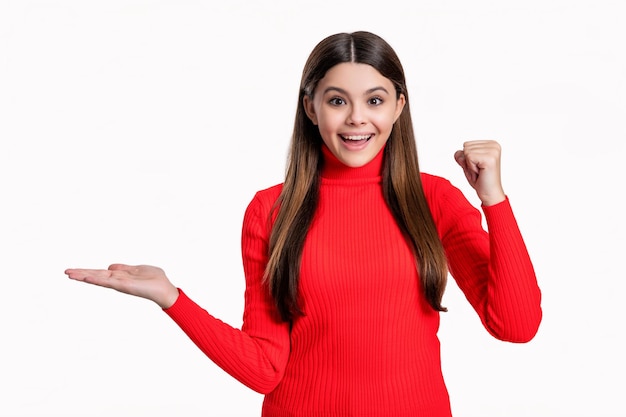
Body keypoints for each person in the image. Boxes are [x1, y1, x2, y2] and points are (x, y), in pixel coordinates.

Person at [65, 31, 542, 416]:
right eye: (337, 101)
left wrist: (493, 200)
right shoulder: (272, 210)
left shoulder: (433, 198)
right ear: (311, 107)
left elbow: (516, 324)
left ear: (399, 106)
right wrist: (171, 298)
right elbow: (265, 370)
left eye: (374, 100)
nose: (357, 119)